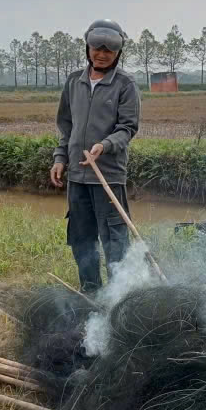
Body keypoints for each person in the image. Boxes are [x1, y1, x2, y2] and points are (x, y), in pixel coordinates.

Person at [50, 19, 141, 292]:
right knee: (81, 239)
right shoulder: (73, 82)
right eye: (96, 49)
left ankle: (118, 297)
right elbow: (66, 126)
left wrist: (106, 145)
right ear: (87, 49)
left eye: (108, 50)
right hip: (77, 177)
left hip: (108, 176)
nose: (102, 54)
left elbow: (127, 128)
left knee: (115, 240)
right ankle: (91, 292)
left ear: (118, 53)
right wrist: (60, 158)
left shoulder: (125, 84)